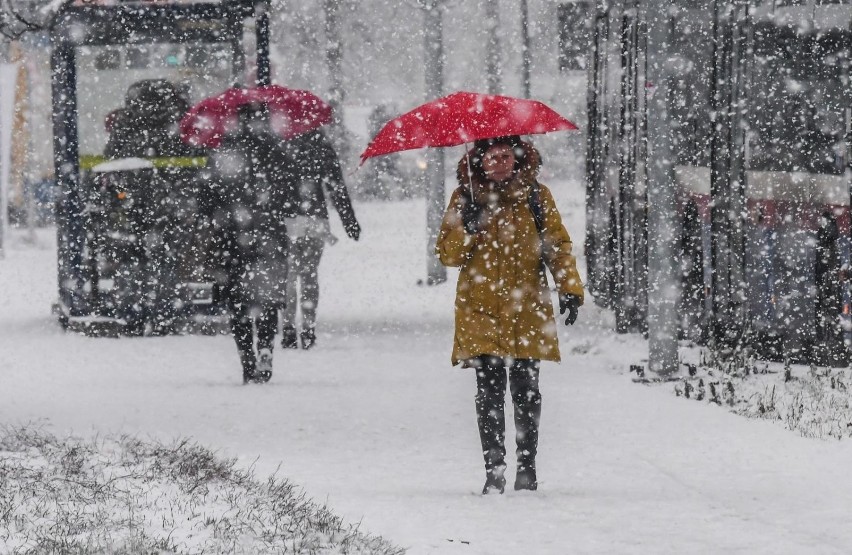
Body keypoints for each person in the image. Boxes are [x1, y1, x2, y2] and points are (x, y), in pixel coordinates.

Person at [435, 135, 584, 494]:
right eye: (492, 157)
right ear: (479, 161)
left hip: (526, 310)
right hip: (480, 310)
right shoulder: (465, 198)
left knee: (526, 390)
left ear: (518, 160)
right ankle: (494, 469)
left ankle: (527, 468)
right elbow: (448, 255)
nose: (499, 163)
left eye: (506, 156)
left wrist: (569, 287)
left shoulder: (536, 196)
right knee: (489, 392)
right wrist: (467, 227)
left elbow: (556, 245)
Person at [206, 102, 292, 383]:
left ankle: (246, 357)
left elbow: (208, 196)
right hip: (269, 238)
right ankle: (266, 346)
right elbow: (288, 195)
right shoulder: (277, 150)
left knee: (237, 301)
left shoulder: (225, 151)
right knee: (266, 299)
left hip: (231, 240)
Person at [278, 128, 361, 350]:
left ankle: (287, 328)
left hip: (286, 220)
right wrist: (349, 221)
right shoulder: (320, 144)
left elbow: (268, 185)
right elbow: (336, 186)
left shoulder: (278, 142)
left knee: (289, 274)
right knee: (309, 275)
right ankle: (308, 328)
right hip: (315, 220)